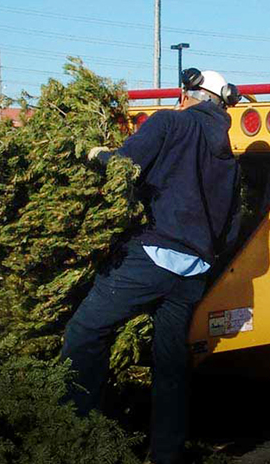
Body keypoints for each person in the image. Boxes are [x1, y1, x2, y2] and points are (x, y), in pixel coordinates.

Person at [60, 68, 241, 464]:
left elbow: (124, 166)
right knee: (171, 364)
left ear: (189, 94)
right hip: (194, 270)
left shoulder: (169, 123)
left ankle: (75, 433)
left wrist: (95, 156)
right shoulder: (227, 155)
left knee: (86, 331)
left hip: (153, 256)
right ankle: (166, 454)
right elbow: (231, 227)